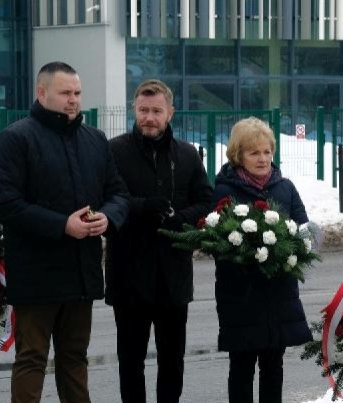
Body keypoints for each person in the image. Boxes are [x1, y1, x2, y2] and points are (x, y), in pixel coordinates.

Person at [0, 61, 129, 403]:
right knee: (32, 359)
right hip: (36, 275)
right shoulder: (16, 138)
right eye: (66, 92)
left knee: (74, 360)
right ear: (42, 92)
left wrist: (108, 218)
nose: (74, 100)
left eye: (78, 93)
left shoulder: (95, 139)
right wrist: (62, 224)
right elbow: (4, 203)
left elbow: (119, 195)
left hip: (81, 274)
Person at [105, 79, 213, 402]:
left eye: (156, 111)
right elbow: (107, 197)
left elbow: (206, 199)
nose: (149, 118)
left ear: (170, 113)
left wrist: (182, 217)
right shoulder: (115, 151)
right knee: (130, 361)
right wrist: (141, 207)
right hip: (128, 274)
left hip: (173, 275)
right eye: (143, 110)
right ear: (134, 110)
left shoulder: (187, 154)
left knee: (172, 361)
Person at [213, 117, 312, 403]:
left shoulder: (285, 187)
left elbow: (304, 228)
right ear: (238, 155)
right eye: (254, 152)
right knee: (241, 366)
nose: (263, 158)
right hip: (241, 294)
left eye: (267, 151)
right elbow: (217, 241)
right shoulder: (224, 190)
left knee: (274, 365)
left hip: (278, 291)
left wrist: (296, 244)